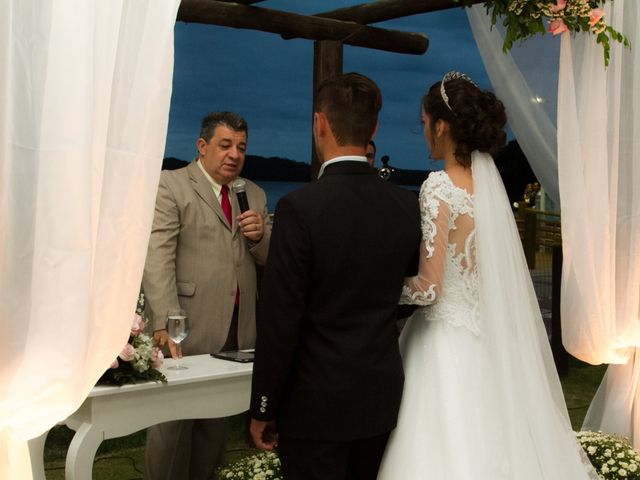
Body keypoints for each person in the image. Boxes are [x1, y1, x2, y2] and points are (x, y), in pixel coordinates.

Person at [377, 73, 598, 479]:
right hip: (488, 340)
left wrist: (382, 287)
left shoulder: (439, 187)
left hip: (442, 343)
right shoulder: (488, 192)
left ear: (441, 126)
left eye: (424, 123)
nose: (424, 132)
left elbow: (429, 288)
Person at [249, 72, 421, 480]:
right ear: (374, 128)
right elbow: (410, 294)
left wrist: (264, 406)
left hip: (315, 405)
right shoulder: (405, 205)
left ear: (319, 124)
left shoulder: (299, 208)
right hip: (380, 397)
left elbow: (281, 318)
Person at [142, 111, 271, 480]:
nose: (234, 154)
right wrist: (166, 322)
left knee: (213, 434)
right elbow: (157, 258)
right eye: (225, 145)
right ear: (202, 146)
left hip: (236, 331)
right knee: (171, 429)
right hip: (184, 329)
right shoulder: (171, 185)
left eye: (241, 148)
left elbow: (268, 259)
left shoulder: (255, 194)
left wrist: (260, 236)